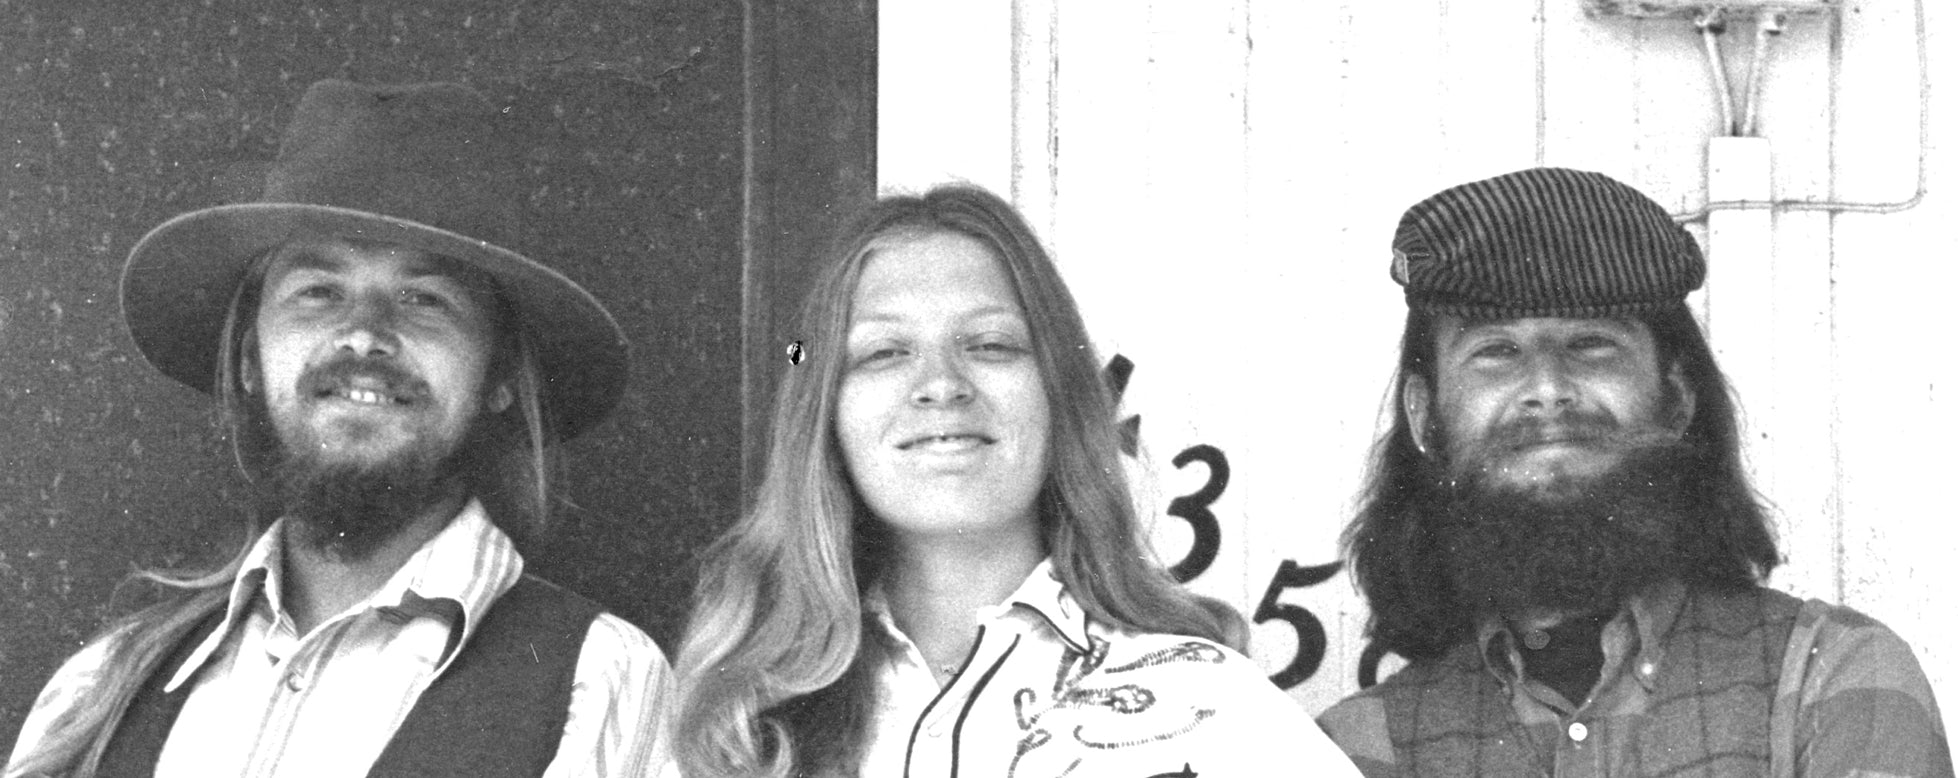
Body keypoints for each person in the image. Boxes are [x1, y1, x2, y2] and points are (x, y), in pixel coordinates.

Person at [5, 79, 668, 778]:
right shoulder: (99, 691)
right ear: (248, 359)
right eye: (318, 291)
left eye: (425, 299)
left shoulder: (594, 685)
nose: (362, 336)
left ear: (499, 373)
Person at [669, 184, 1358, 777]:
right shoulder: (739, 724)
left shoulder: (1211, 703)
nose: (940, 385)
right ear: (824, 415)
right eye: (884, 352)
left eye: (990, 345)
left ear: (1058, 396)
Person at [1316, 167, 1952, 777]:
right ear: (1426, 420)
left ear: (1677, 399)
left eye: (1593, 344)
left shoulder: (1831, 675)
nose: (1547, 388)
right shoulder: (1354, 751)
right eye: (1497, 351)